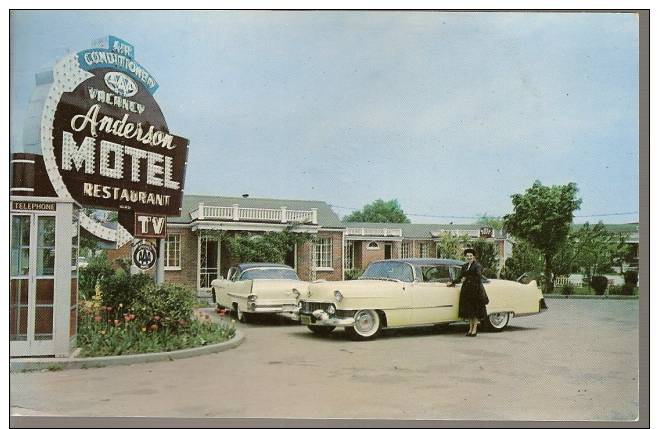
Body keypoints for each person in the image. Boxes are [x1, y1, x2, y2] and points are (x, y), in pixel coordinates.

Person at [448, 248, 488, 337]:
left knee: (475, 310)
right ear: (466, 257)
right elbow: (460, 277)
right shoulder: (465, 266)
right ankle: (470, 328)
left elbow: (478, 277)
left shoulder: (477, 265)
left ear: (473, 257)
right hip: (466, 289)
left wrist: (468, 278)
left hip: (475, 289)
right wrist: (453, 282)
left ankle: (475, 329)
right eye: (467, 256)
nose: (469, 257)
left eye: (471, 256)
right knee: (469, 311)